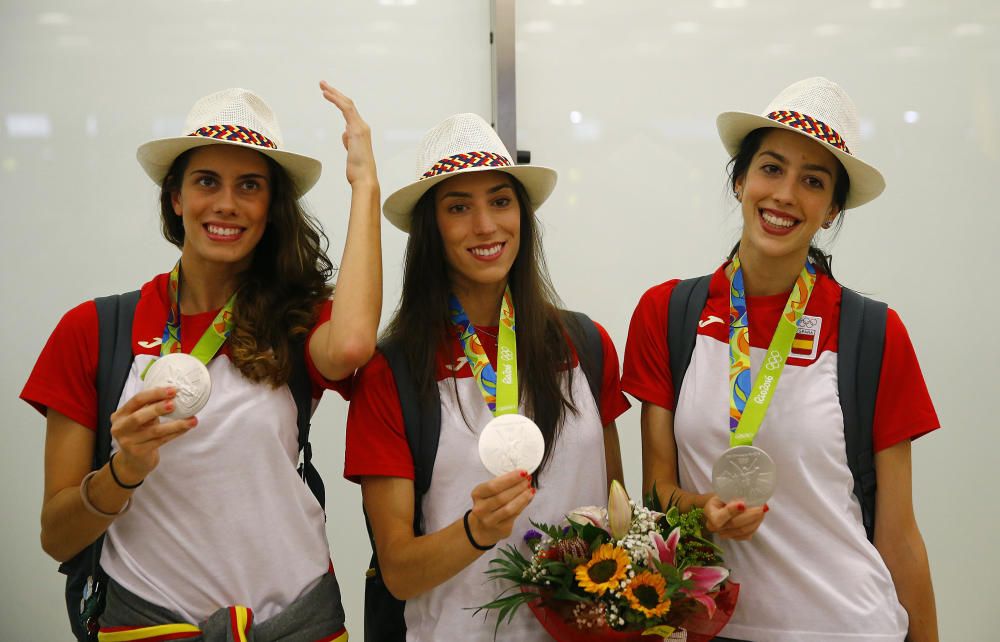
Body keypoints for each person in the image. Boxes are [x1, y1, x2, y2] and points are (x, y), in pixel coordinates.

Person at [21, 82, 381, 641]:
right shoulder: (93, 331)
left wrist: (365, 185)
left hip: (297, 622)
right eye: (206, 181)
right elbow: (57, 538)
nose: (227, 204)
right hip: (147, 626)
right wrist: (124, 471)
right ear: (176, 198)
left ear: (271, 207)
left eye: (250, 186)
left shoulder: (295, 320)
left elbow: (354, 345)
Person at [622, 77, 939, 642]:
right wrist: (703, 510)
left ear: (831, 209)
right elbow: (656, 493)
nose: (786, 194)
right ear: (740, 180)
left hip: (848, 624)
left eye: (812, 181)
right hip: (710, 627)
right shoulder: (667, 313)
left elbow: (899, 534)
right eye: (771, 168)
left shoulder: (873, 332)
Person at [344, 113, 630, 640]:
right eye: (459, 208)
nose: (485, 226)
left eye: (500, 201)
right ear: (432, 229)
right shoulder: (394, 371)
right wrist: (475, 531)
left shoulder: (585, 345)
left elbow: (617, 515)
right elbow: (400, 572)